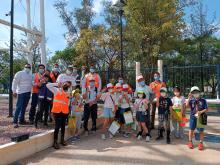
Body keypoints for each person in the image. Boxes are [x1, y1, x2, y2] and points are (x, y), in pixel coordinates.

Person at [46, 81, 72, 149]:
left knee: (63, 126)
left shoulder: (68, 93)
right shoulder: (56, 90)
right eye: (65, 84)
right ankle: (55, 142)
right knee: (57, 127)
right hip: (57, 111)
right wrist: (57, 84)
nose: (66, 86)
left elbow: (68, 103)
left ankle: (62, 140)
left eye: (68, 85)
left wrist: (68, 112)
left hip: (65, 112)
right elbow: (48, 85)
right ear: (62, 84)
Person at [186, 86, 208, 150]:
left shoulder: (203, 100)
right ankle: (190, 141)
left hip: (201, 117)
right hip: (193, 116)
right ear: (192, 93)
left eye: (196, 92)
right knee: (191, 129)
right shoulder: (191, 100)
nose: (195, 93)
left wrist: (200, 112)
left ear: (199, 92)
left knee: (201, 130)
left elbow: (206, 109)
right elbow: (186, 106)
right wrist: (189, 98)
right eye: (193, 92)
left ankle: (201, 143)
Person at [12, 64, 33, 128]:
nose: (28, 68)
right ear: (24, 67)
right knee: (18, 107)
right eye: (27, 67)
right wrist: (14, 91)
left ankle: (21, 120)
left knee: (24, 107)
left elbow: (32, 83)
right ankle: (15, 122)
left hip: (28, 93)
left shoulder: (30, 75)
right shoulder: (19, 73)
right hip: (21, 93)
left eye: (29, 67)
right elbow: (14, 82)